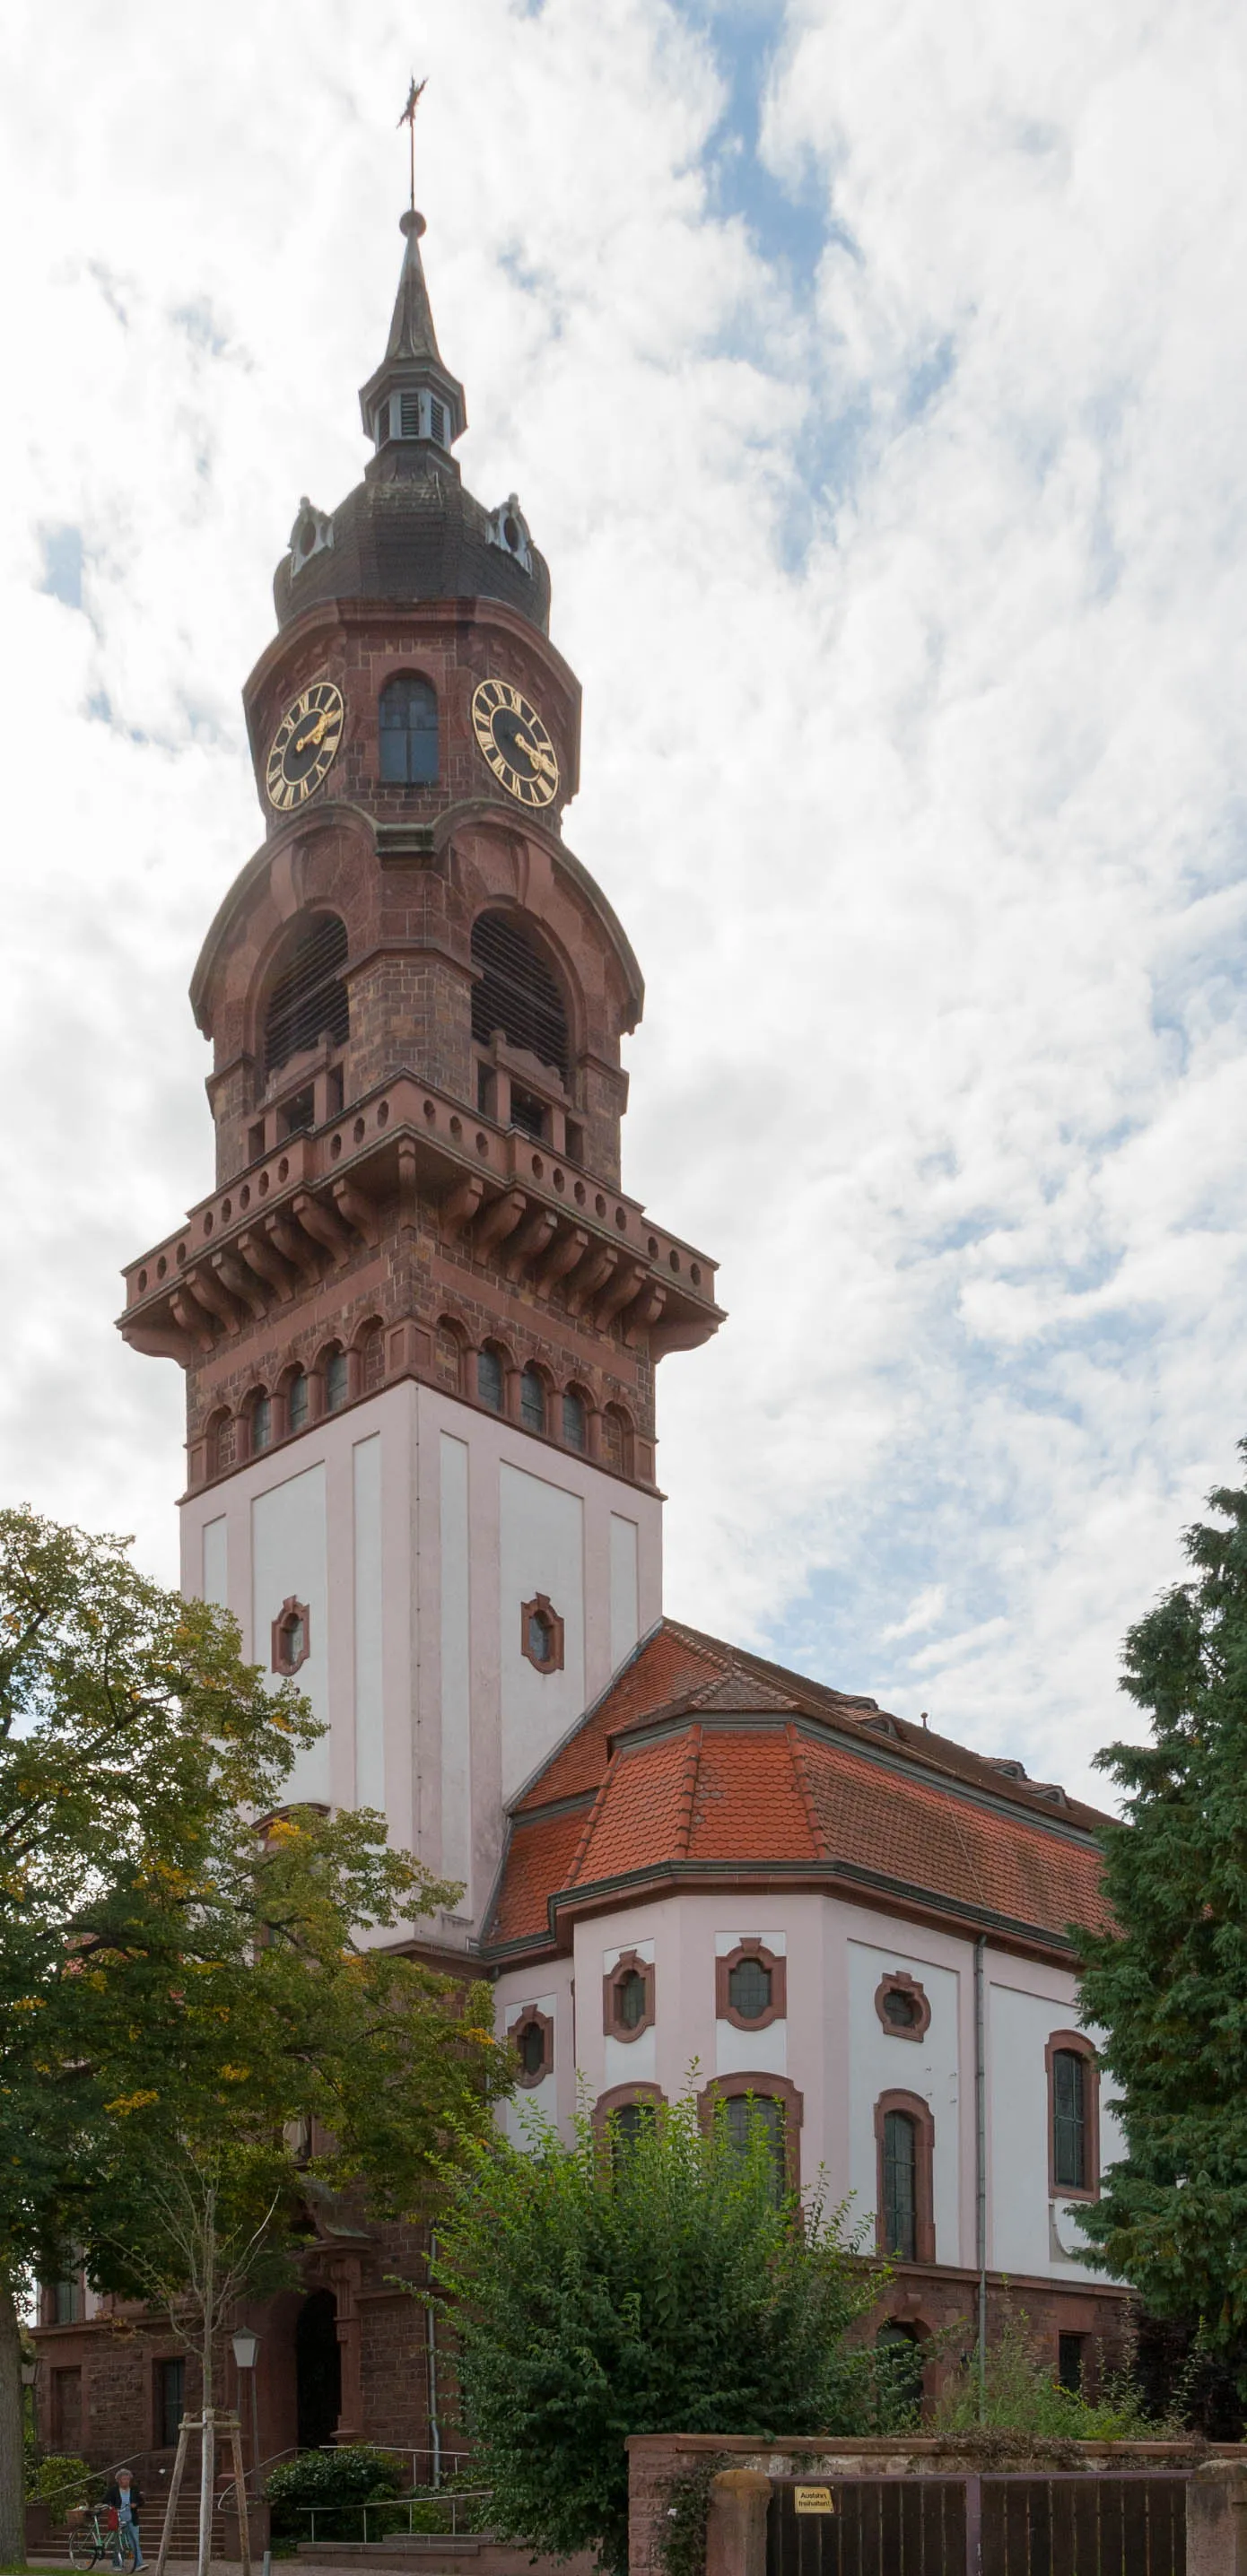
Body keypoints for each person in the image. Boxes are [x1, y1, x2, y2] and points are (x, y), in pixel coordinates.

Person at [103, 2469, 144, 2571]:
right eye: (124, 2479)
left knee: (135, 2541)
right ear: (119, 2480)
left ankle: (139, 2564)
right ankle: (117, 2564)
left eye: (128, 2479)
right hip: (118, 2520)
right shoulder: (114, 2490)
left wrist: (136, 2504)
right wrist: (111, 2506)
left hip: (132, 2520)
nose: (126, 2481)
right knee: (118, 2543)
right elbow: (105, 2500)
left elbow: (141, 2501)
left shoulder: (134, 2489)